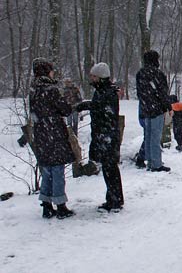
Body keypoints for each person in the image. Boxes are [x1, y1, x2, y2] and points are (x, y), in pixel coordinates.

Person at [29, 58, 76, 219]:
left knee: (47, 170)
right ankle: (60, 205)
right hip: (54, 133)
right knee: (57, 169)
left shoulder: (33, 90)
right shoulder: (51, 90)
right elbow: (65, 109)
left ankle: (46, 204)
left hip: (41, 133)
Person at [76, 63, 124, 212]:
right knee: (109, 168)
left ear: (101, 77)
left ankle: (114, 200)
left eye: (94, 76)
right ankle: (113, 198)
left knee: (110, 169)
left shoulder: (107, 93)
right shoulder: (104, 91)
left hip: (107, 136)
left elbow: (105, 111)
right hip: (104, 135)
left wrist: (88, 106)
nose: (92, 78)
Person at [136, 50, 172, 172]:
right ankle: (156, 163)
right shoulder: (158, 74)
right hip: (156, 109)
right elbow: (162, 92)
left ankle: (150, 161)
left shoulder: (140, 74)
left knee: (148, 136)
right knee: (155, 137)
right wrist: (168, 106)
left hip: (146, 108)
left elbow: (139, 93)